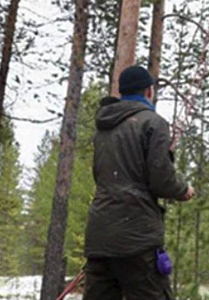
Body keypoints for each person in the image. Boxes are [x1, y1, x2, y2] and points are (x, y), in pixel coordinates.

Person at [83, 65, 195, 300]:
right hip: (137, 236)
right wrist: (183, 189)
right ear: (148, 92)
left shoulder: (103, 128)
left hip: (100, 235)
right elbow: (161, 180)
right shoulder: (153, 123)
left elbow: (100, 175)